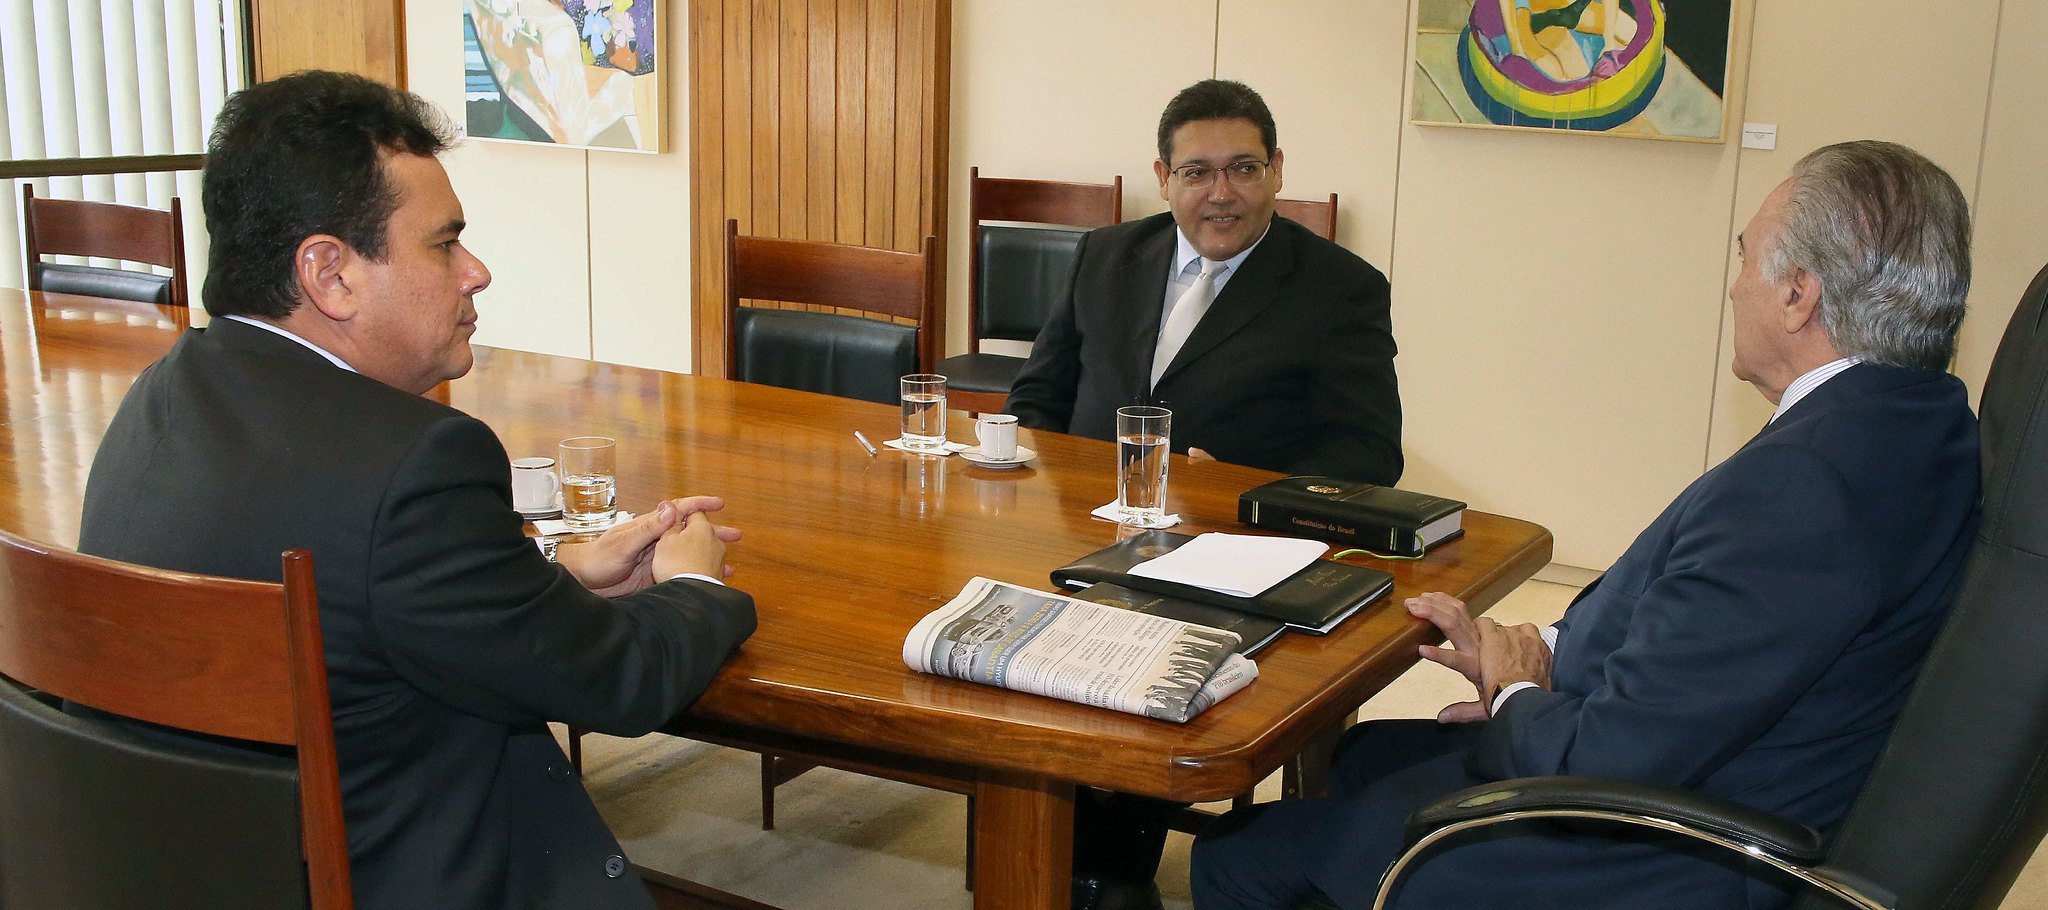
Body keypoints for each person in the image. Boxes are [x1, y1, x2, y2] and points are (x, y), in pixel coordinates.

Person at [1189, 139, 1980, 909]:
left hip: (1650, 853)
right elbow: (1713, 635)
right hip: (1723, 775)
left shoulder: (1807, 486)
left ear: (1798, 294)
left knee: (1238, 857)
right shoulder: (1921, 422)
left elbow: (1609, 755)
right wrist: (1553, 654)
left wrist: (1515, 692)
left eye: (1746, 260)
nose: (1736, 286)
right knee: (1368, 754)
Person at [76, 71, 757, 910]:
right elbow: (619, 683)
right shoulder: (416, 462)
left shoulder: (162, 397)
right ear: (330, 274)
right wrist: (693, 581)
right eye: (444, 243)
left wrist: (556, 572)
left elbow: (363, 594)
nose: (477, 272)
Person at [1006, 79, 1402, 485]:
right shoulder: (1103, 256)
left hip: (1234, 535)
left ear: (1277, 170)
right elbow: (1036, 398)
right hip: (1082, 512)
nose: (1221, 193)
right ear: (1164, 178)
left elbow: (1370, 453)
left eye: (1244, 169)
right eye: (1196, 173)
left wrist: (1249, 492)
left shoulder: (1342, 288)